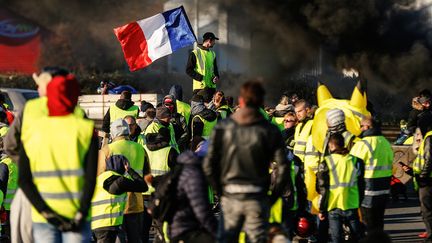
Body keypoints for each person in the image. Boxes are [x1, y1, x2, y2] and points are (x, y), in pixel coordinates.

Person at [203, 81, 290, 243]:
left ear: (241, 101)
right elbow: (283, 167)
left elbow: (208, 164)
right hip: (257, 197)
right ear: (260, 101)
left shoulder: (223, 127)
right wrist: (272, 197)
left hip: (230, 196)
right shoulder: (269, 130)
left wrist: (220, 191)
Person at [4, 67, 83, 243]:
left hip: (32, 196)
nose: (37, 89)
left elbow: (10, 144)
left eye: (39, 84)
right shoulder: (78, 115)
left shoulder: (31, 110)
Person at [18, 72, 98, 242]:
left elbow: (23, 180)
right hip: (77, 215)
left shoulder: (32, 130)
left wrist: (46, 213)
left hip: (43, 217)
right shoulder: (85, 129)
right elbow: (91, 179)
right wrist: (81, 213)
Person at [99, 118, 149, 243]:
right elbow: (147, 175)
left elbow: (99, 177)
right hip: (136, 203)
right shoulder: (140, 149)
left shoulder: (106, 150)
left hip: (114, 204)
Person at [350, 116, 393, 235]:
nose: (360, 129)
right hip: (384, 189)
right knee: (379, 222)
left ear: (367, 127)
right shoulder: (385, 142)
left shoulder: (362, 144)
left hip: (367, 190)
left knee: (368, 224)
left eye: (361, 126)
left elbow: (352, 167)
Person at [317, 133, 363, 243]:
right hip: (351, 203)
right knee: (358, 237)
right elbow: (361, 184)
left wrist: (322, 209)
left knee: (336, 238)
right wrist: (359, 202)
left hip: (334, 204)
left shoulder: (327, 162)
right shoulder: (356, 161)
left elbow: (322, 188)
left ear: (331, 145)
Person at [92, 155, 148, 243]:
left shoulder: (99, 179)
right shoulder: (120, 181)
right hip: (108, 224)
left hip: (95, 223)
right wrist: (130, 170)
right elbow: (143, 187)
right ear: (123, 167)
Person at [169, 142, 218, 243]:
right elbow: (201, 210)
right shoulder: (194, 174)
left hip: (178, 224)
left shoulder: (185, 167)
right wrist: (216, 231)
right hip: (183, 228)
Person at [186, 32, 220, 100]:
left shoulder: (213, 54)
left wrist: (216, 77)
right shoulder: (195, 53)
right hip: (200, 88)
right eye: (213, 40)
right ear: (209, 40)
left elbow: (215, 70)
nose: (214, 43)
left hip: (211, 88)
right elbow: (188, 70)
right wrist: (200, 77)